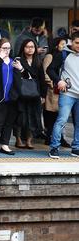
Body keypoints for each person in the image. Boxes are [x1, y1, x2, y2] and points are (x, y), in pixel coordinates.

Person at [46, 31, 79, 159]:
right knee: (61, 120)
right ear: (71, 42)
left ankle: (76, 148)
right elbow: (50, 69)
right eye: (77, 43)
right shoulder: (63, 54)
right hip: (67, 94)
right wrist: (59, 80)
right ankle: (54, 148)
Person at [13, 39, 46, 149]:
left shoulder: (38, 60)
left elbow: (42, 79)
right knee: (20, 117)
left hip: (34, 93)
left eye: (32, 47)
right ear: (23, 48)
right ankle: (18, 139)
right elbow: (17, 77)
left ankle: (29, 140)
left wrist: (43, 95)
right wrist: (23, 70)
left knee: (33, 116)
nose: (30, 49)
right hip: (21, 93)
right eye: (27, 46)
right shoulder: (18, 60)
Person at [43, 37, 69, 146]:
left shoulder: (65, 56)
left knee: (60, 116)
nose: (65, 46)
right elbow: (46, 73)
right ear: (56, 45)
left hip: (61, 91)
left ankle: (59, 138)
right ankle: (51, 138)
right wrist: (54, 84)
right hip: (53, 91)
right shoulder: (50, 56)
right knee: (52, 116)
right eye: (63, 44)